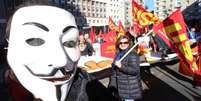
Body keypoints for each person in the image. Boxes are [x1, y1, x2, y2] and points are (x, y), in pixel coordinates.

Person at [3, 0, 116, 101]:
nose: (61, 60)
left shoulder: (92, 90)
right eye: (35, 40)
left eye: (70, 43)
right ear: (9, 45)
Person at [108, 35, 142, 101]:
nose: (123, 44)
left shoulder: (133, 54)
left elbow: (135, 71)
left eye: (125, 42)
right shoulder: (119, 54)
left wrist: (121, 67)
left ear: (129, 43)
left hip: (129, 88)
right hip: (120, 86)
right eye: (120, 43)